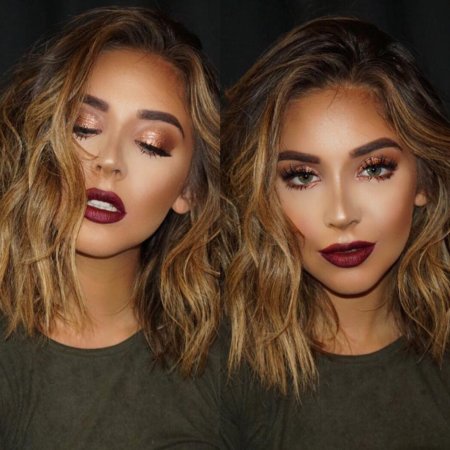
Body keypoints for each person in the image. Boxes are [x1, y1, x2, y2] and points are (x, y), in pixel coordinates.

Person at [222, 17, 450, 449]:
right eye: (303, 176)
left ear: (423, 179)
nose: (342, 214)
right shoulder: (217, 371)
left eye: (374, 169)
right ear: (263, 194)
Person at [0, 7, 220, 449]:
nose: (109, 160)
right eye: (85, 127)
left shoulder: (236, 358)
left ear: (189, 189)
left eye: (151, 144)